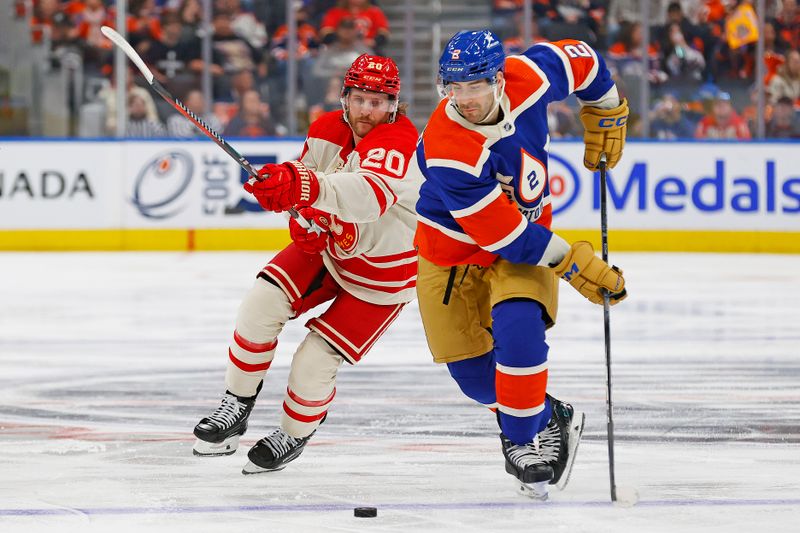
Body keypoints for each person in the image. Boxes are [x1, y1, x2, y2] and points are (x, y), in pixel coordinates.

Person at [411, 30, 628, 500]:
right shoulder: (448, 149)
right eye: (453, 88)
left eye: (476, 86)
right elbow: (503, 235)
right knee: (474, 380)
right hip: (454, 252)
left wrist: (605, 107)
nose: (464, 100)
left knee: (519, 329)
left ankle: (522, 440)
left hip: (525, 243)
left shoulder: (528, 76)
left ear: (499, 79)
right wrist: (571, 262)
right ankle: (550, 416)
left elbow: (584, 60)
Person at [192, 54, 420, 474]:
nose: (368, 110)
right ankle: (236, 404)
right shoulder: (326, 128)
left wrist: (302, 187)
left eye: (378, 101)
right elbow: (306, 182)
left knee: (314, 360)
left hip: (382, 274)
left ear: (394, 104)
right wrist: (293, 205)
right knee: (261, 303)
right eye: (360, 99)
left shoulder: (401, 142)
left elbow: (366, 197)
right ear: (345, 96)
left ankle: (294, 433)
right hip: (332, 250)